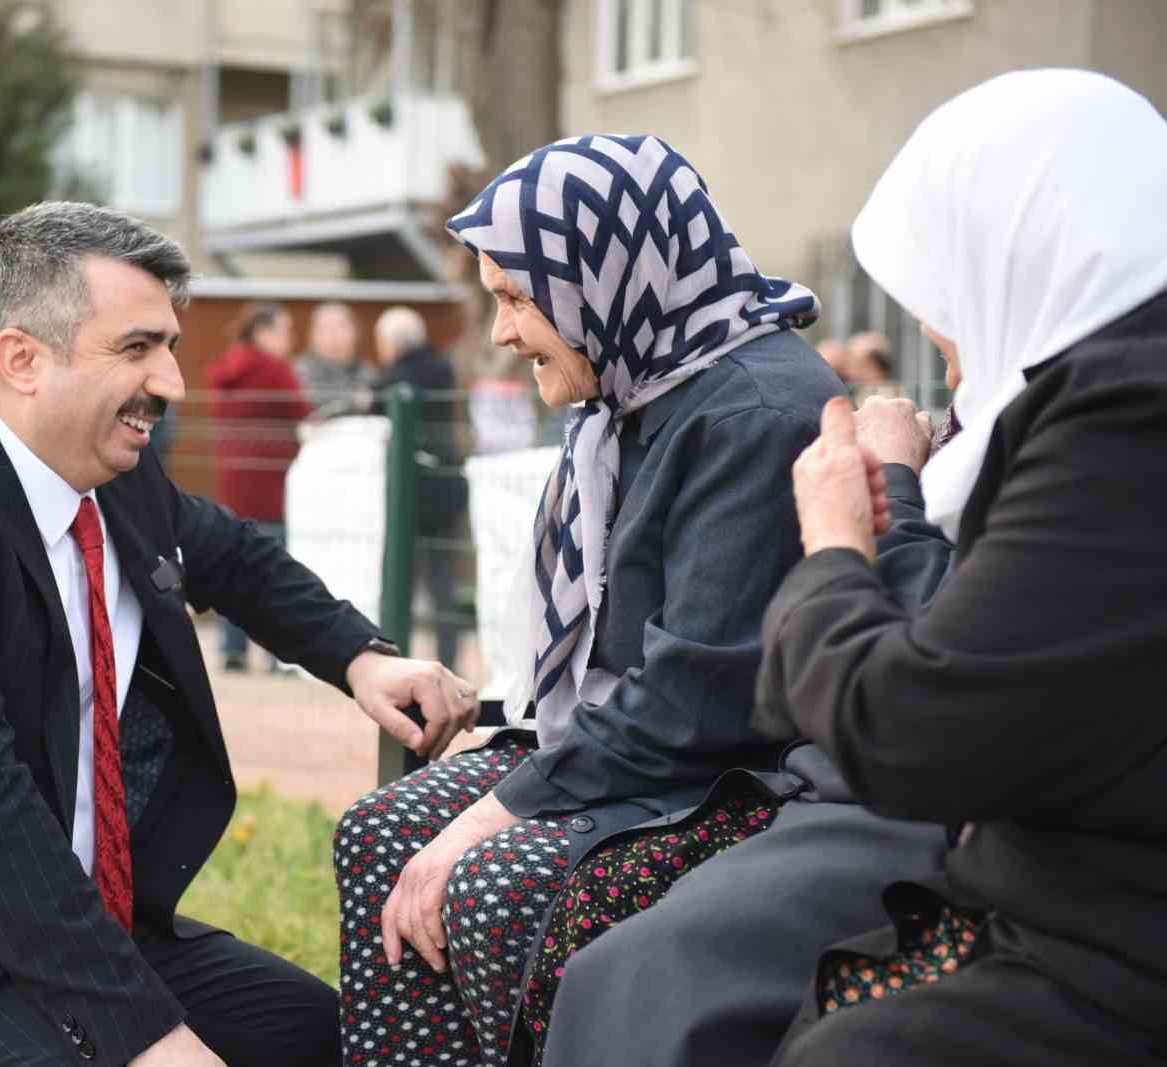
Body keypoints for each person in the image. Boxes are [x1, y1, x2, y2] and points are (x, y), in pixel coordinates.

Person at [0, 203, 479, 1067]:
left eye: (169, 347)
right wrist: (147, 1037)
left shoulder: (111, 473)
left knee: (326, 1040)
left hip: (71, 926)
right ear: (22, 359)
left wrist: (362, 658)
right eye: (137, 348)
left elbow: (233, 556)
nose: (173, 381)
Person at [335, 133, 850, 1067]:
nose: (500, 332)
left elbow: (694, 701)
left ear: (604, 279)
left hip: (734, 783)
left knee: (490, 884)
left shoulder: (755, 415)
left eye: (516, 299)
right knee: (380, 833)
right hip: (630, 755)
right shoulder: (636, 394)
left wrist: (494, 812)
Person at [758, 69, 1167, 1067]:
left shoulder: (1125, 413)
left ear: (1014, 254)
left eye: (942, 294)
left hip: (1096, 934)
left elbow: (910, 726)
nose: (941, 343)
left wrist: (833, 537)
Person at [207, 302, 310, 672]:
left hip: (233, 481)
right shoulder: (273, 369)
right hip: (272, 484)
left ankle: (232, 649)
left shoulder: (228, 367)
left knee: (233, 566)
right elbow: (303, 412)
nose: (290, 341)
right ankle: (275, 655)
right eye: (284, 331)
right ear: (264, 333)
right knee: (273, 569)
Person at [370, 306, 467, 668]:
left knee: (400, 581)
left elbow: (377, 400)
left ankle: (395, 655)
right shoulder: (440, 368)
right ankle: (448, 660)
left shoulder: (397, 378)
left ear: (391, 344)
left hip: (413, 496)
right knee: (443, 582)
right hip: (446, 490)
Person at [293, 301, 371, 416]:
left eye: (341, 326)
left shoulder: (367, 370)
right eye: (327, 328)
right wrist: (351, 400)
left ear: (355, 332)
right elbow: (311, 400)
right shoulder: (300, 371)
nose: (335, 334)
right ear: (312, 335)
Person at [844, 330, 903, 404]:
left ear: (873, 366)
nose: (850, 368)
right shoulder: (862, 390)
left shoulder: (886, 395)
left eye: (856, 363)